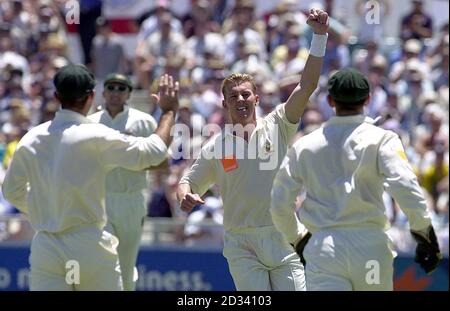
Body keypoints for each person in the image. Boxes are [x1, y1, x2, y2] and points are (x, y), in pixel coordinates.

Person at [177, 8, 329, 291]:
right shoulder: (216, 146)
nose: (240, 100)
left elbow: (307, 85)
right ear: (225, 104)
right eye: (233, 96)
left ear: (256, 99)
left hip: (284, 237)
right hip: (241, 243)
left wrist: (319, 36)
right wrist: (185, 195)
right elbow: (187, 181)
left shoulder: (280, 123)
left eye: (246, 94)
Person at [1, 64, 179, 290]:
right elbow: (153, 152)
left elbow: (11, 191)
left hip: (46, 246)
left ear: (57, 96)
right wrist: (168, 112)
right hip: (88, 243)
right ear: (92, 96)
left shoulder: (31, 138)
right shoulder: (97, 134)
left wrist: (48, 208)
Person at [270, 68, 443, 291]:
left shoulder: (305, 145)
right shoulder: (382, 139)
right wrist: (424, 232)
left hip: (324, 249)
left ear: (330, 101)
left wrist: (298, 237)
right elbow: (405, 185)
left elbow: (279, 202)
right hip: (370, 248)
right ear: (368, 99)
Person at [88, 73, 158, 291]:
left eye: (121, 88)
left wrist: (130, 158)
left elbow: (160, 161)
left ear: (128, 93)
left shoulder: (144, 121)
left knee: (127, 267)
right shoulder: (90, 123)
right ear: (103, 92)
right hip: (101, 200)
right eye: (111, 88)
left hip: (132, 199)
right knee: (103, 263)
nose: (116, 93)